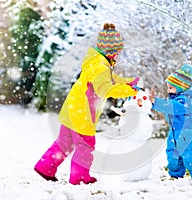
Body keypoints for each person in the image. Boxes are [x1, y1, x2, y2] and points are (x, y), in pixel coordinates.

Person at [34, 23, 139, 185]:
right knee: (85, 144)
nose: (119, 55)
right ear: (110, 51)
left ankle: (46, 167)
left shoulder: (97, 62)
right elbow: (106, 88)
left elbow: (112, 80)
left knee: (65, 142)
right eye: (117, 51)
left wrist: (129, 83)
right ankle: (79, 177)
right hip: (82, 111)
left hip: (73, 107)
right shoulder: (100, 67)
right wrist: (131, 92)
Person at [149, 64, 192, 184]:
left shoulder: (184, 101)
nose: (168, 90)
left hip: (187, 133)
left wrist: (156, 102)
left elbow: (171, 107)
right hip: (175, 133)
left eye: (171, 88)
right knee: (173, 155)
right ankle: (175, 175)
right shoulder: (173, 100)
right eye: (168, 88)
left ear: (181, 87)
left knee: (191, 155)